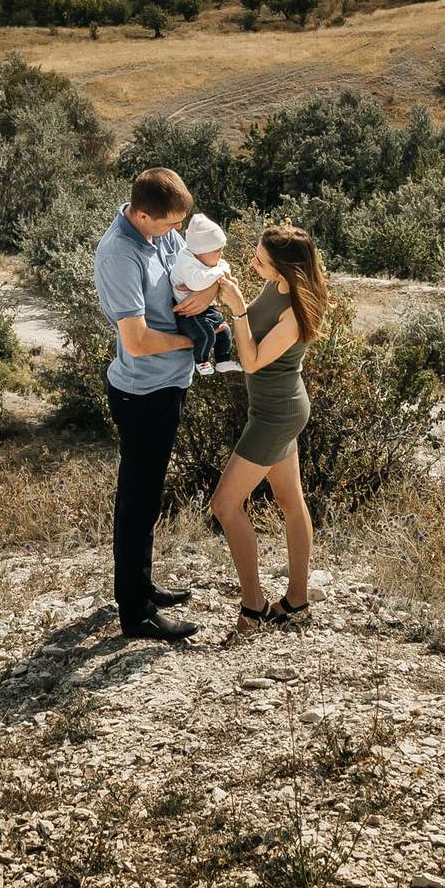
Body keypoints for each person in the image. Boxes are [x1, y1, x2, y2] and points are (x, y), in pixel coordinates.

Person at [91, 168, 217, 642]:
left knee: (145, 494)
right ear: (143, 215)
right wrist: (195, 346)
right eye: (168, 225)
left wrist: (207, 292)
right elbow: (139, 341)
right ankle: (135, 612)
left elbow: (191, 271)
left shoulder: (157, 232)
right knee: (139, 499)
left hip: (167, 385)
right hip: (142, 392)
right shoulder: (119, 255)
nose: (175, 233)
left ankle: (140, 587)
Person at [208, 226, 324, 637]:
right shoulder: (276, 284)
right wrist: (227, 328)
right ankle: (296, 602)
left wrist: (237, 309)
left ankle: (254, 608)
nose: (252, 262)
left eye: (259, 258)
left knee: (224, 505)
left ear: (283, 265)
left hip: (276, 416)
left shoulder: (295, 308)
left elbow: (254, 361)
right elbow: (250, 337)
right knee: (290, 499)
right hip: (274, 409)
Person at [170, 213, 240, 376]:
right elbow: (196, 283)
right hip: (189, 313)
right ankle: (201, 361)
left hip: (207, 308)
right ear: (200, 252)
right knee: (206, 333)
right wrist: (218, 273)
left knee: (225, 330)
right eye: (217, 251)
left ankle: (222, 360)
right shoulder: (187, 261)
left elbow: (225, 267)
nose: (221, 255)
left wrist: (217, 273)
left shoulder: (208, 259)